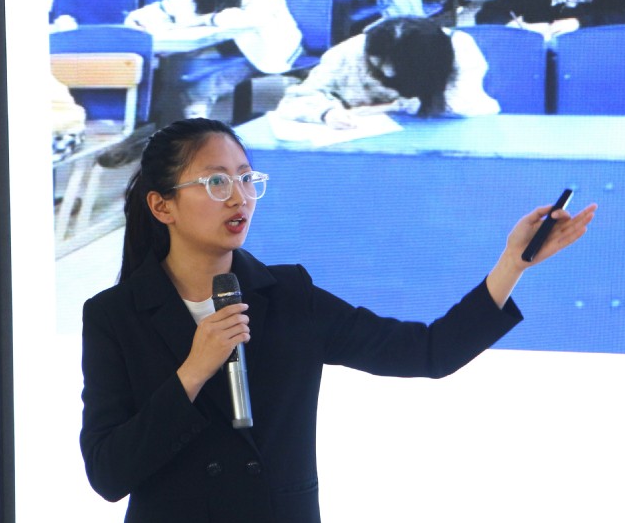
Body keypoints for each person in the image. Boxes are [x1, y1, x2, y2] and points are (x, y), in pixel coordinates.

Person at [79, 117, 597, 522]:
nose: (239, 197)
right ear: (162, 206)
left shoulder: (290, 296)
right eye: (216, 182)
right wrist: (193, 372)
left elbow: (428, 352)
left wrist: (511, 265)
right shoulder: (114, 317)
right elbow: (108, 473)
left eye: (246, 179)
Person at [274, 17, 500, 129]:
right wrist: (327, 113)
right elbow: (294, 101)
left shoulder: (459, 48)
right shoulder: (348, 53)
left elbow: (461, 104)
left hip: (451, 131)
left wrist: (390, 106)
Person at [124, 0, 303, 119]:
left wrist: (207, 19)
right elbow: (161, 10)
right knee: (176, 67)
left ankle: (197, 124)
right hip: (222, 45)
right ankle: (160, 120)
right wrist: (137, 20)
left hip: (265, 50)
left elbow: (254, 19)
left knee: (202, 85)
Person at [475, 0, 625, 39]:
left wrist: (580, 23)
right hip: (541, 56)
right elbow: (487, 14)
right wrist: (513, 26)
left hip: (595, 51)